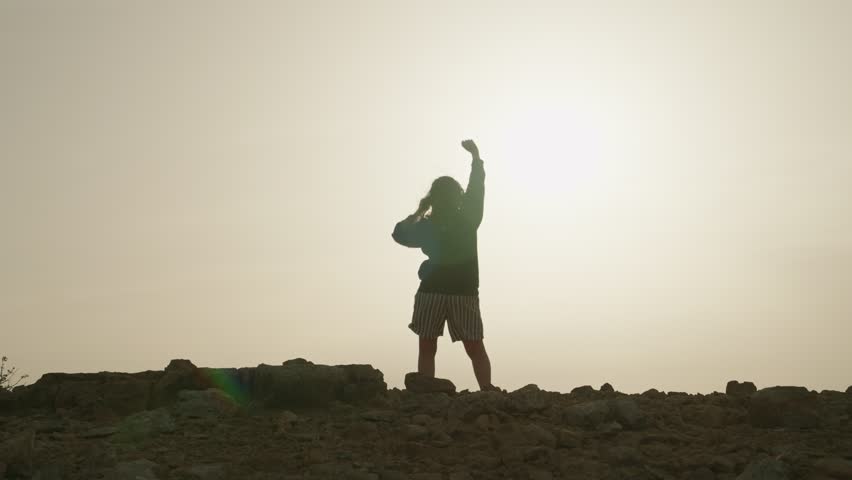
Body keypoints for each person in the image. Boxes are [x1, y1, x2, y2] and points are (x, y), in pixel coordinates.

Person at [392, 139, 500, 392]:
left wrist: (418, 212)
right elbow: (477, 188)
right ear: (457, 195)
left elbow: (398, 234)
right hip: (462, 291)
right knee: (473, 346)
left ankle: (428, 391)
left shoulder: (430, 225)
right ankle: (486, 389)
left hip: (434, 291)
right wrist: (475, 158)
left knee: (429, 346)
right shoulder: (467, 219)